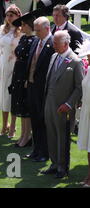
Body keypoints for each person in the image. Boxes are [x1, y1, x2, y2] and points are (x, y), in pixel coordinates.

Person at [42, 30, 83, 179]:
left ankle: (62, 168)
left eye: (56, 43)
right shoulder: (54, 56)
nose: (53, 46)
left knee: (62, 138)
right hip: (50, 104)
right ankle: (54, 164)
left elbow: (80, 87)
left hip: (63, 108)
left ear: (66, 44)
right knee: (51, 135)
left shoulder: (75, 61)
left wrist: (69, 104)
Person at [0, 4, 22, 138]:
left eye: (11, 15)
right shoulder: (3, 29)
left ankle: (13, 126)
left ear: (17, 16)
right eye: (7, 15)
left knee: (12, 97)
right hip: (3, 65)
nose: (8, 18)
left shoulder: (21, 31)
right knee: (3, 96)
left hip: (14, 65)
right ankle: (4, 125)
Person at [25, 16, 55, 163]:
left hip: (43, 90)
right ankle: (36, 150)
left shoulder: (53, 44)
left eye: (38, 30)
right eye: (35, 30)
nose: (35, 33)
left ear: (47, 28)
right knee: (35, 120)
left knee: (43, 122)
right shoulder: (36, 41)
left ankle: (45, 153)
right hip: (31, 87)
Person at [9, 13, 36, 147]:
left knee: (26, 108)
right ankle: (23, 135)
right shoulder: (24, 38)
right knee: (20, 105)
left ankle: (27, 136)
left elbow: (32, 61)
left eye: (24, 24)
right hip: (18, 74)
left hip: (25, 75)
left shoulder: (34, 40)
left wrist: (27, 78)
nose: (22, 27)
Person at [76, 40, 90, 187]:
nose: (88, 58)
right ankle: (88, 175)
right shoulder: (89, 69)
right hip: (87, 111)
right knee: (88, 145)